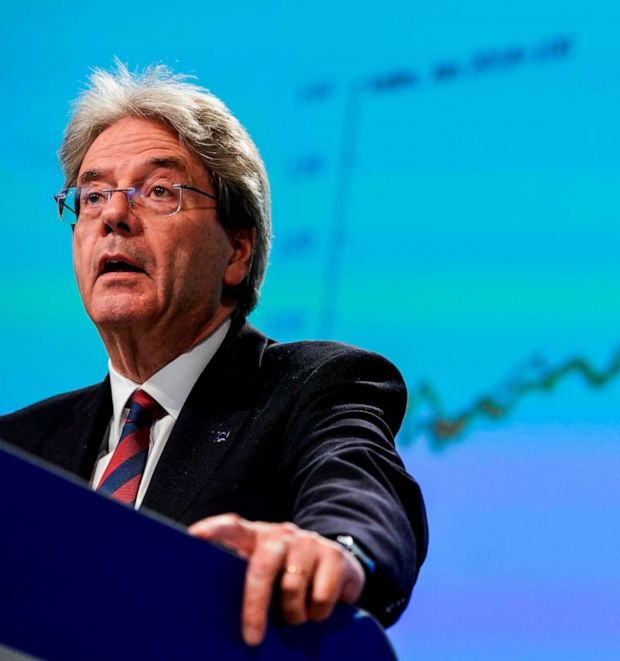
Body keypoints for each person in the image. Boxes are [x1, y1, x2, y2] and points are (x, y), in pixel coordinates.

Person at [0, 63, 428, 646]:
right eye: (92, 194)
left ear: (237, 252)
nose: (113, 216)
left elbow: (357, 484)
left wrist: (332, 548)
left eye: (159, 191)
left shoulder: (312, 386)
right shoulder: (18, 450)